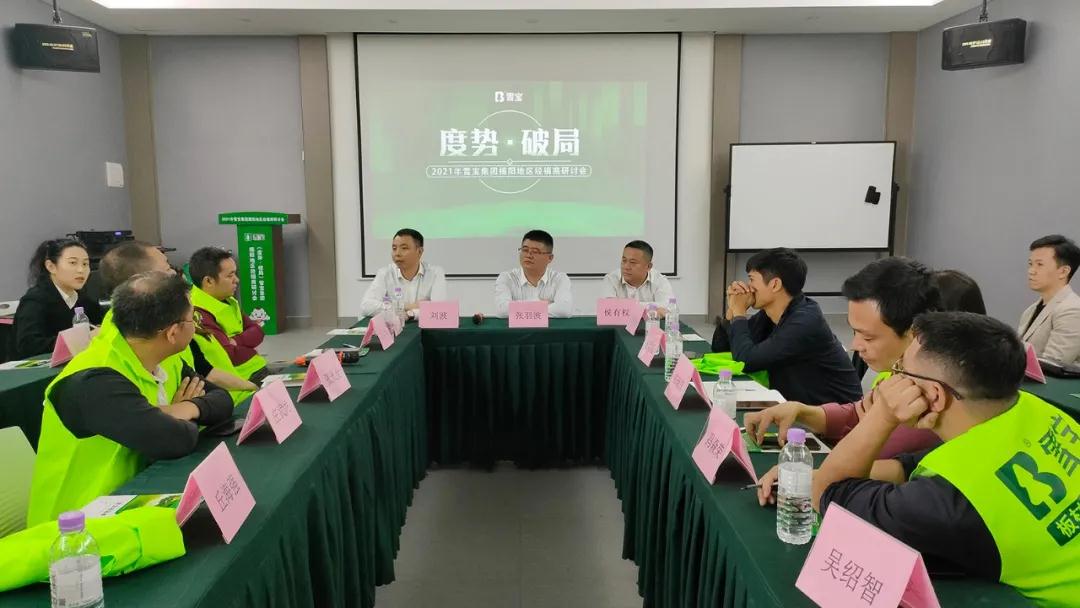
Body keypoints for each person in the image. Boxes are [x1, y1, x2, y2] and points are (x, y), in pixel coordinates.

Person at [761, 312, 1080, 606]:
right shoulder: (1034, 411)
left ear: (934, 395)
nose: (892, 379)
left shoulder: (950, 503)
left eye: (901, 371)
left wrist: (883, 415)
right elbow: (913, 467)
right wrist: (810, 473)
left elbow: (828, 494)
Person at [28, 272, 233, 526]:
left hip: (137, 498)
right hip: (79, 528)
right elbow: (174, 440)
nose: (196, 326)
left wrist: (180, 409)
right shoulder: (94, 380)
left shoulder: (163, 357)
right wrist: (180, 416)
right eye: (193, 319)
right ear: (173, 332)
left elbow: (222, 400)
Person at [744, 257, 942, 458]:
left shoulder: (929, 399)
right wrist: (800, 411)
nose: (855, 345)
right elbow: (857, 413)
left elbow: (871, 462)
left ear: (915, 334)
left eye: (868, 337)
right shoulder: (900, 372)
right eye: (854, 332)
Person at [98, 241, 257, 401]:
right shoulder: (108, 369)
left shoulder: (165, 322)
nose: (175, 273)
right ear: (143, 282)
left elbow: (203, 374)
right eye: (168, 268)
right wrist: (178, 410)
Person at [712, 248, 862, 405]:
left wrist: (739, 313)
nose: (748, 287)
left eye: (752, 280)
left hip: (837, 413)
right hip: (800, 407)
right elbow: (721, 348)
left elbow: (746, 361)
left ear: (775, 284)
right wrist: (732, 312)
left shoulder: (805, 321)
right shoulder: (771, 314)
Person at [188, 247, 269, 383]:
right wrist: (251, 349)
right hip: (242, 381)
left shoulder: (227, 300)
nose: (236, 280)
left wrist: (236, 341)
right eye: (230, 276)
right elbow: (229, 354)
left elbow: (258, 331)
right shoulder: (197, 312)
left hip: (257, 369)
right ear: (208, 281)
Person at [14, 238, 104, 357]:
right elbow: (28, 345)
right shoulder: (35, 300)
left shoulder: (83, 299)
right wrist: (82, 339)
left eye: (85, 264)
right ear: (51, 266)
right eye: (73, 263)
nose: (81, 270)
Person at [359, 228, 447, 318]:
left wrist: (411, 313)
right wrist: (406, 306)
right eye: (394, 248)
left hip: (423, 326)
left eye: (404, 248)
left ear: (419, 252)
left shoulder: (435, 273)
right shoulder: (385, 273)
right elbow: (366, 306)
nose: (397, 253)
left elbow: (440, 309)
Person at [1019, 234, 1080, 365]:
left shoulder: (1073, 310)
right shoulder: (1030, 310)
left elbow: (1054, 364)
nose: (1031, 271)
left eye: (1039, 264)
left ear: (1063, 271)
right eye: (1030, 264)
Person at [494, 230, 572, 318]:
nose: (528, 255)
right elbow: (502, 310)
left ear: (550, 258)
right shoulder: (507, 278)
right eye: (525, 250)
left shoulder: (559, 279)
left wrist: (516, 307)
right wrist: (543, 305)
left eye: (535, 252)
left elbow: (564, 309)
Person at [601, 240, 674, 313]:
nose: (626, 267)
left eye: (633, 262)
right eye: (624, 260)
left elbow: (669, 308)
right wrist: (651, 309)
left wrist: (624, 307)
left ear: (648, 266)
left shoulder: (660, 281)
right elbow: (607, 309)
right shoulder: (611, 279)